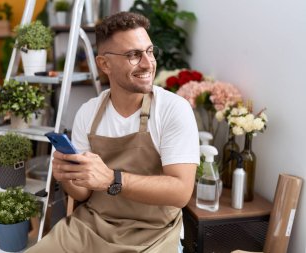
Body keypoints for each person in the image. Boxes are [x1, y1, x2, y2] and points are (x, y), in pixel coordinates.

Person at [27, 11, 199, 253]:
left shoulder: (173, 109)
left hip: (153, 234)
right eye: (133, 55)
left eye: (149, 51)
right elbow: (82, 193)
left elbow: (181, 192)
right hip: (91, 227)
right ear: (104, 64)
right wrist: (68, 175)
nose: (148, 63)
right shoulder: (88, 113)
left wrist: (112, 179)